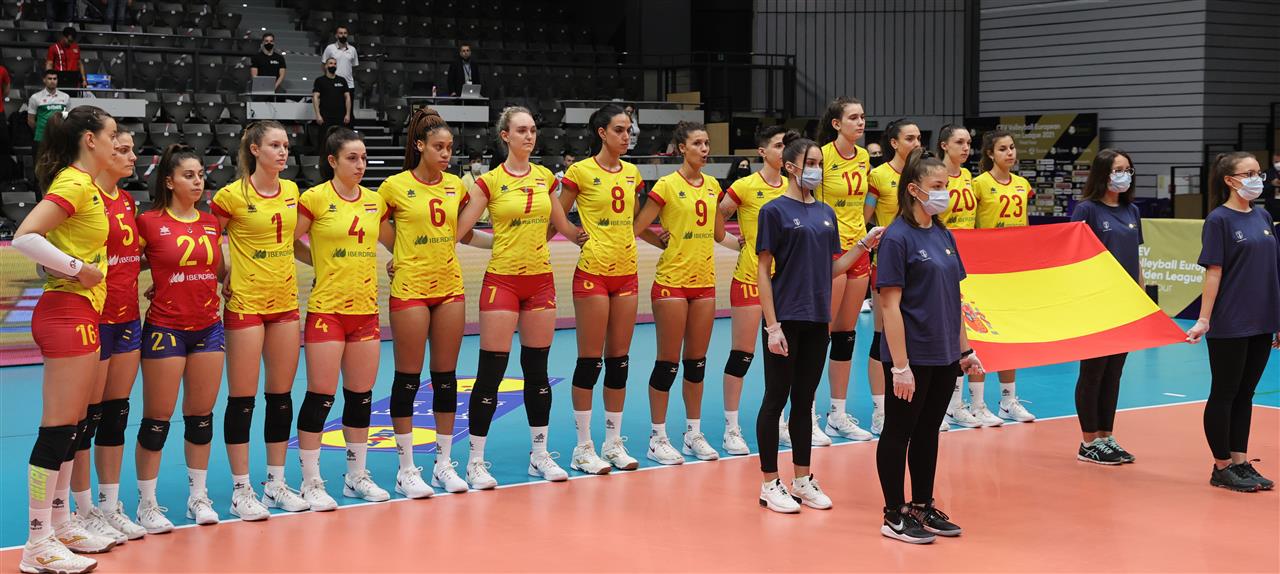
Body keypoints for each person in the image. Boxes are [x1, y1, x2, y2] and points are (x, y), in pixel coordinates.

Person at [755, 131, 885, 513]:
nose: (816, 170)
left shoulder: (827, 213)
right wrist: (772, 326)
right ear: (790, 167)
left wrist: (864, 245)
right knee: (775, 399)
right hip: (786, 318)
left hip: (817, 318)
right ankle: (769, 483)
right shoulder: (774, 211)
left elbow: (832, 268)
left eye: (819, 165)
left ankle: (802, 479)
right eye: (809, 164)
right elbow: (763, 271)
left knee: (804, 400)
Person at [454, 107, 581, 488]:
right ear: (505, 136)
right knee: (491, 373)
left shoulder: (545, 178)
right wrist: (495, 244)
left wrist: (596, 233)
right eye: (522, 130)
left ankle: (539, 455)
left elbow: (563, 226)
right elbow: (460, 231)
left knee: (537, 370)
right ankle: (475, 461)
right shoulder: (489, 182)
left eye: (533, 130)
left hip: (540, 282)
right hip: (503, 283)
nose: (530, 136)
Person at [14, 105, 116, 574]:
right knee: (57, 430)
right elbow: (25, 237)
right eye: (112, 134)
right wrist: (78, 269)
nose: (117, 142)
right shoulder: (74, 183)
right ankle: (37, 542)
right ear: (90, 139)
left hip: (83, 311)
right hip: (65, 311)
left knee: (74, 427)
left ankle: (60, 524)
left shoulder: (88, 185)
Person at [876, 147, 984, 544]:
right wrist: (900, 365)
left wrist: (965, 350)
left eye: (946, 186)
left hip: (944, 353)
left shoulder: (943, 233)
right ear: (914, 189)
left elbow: (955, 297)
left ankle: (922, 504)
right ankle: (893, 513)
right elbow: (889, 305)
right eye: (937, 186)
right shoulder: (896, 238)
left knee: (928, 431)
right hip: (912, 354)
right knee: (899, 430)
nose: (944, 193)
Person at [209, 120, 311, 515]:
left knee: (280, 397)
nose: (283, 152)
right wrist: (224, 274)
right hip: (246, 305)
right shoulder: (230, 196)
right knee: (242, 399)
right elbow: (207, 242)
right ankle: (241, 489)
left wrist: (326, 263)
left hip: (284, 304)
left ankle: (276, 483)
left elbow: (292, 243)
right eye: (275, 145)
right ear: (254, 150)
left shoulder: (292, 191)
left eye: (286, 145)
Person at [376, 107, 475, 495]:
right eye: (439, 147)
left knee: (446, 378)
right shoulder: (394, 186)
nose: (446, 153)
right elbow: (376, 224)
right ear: (420, 146)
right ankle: (406, 469)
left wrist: (502, 242)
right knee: (408, 378)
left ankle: (443, 464)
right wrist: (398, 251)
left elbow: (462, 232)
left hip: (449, 287)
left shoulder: (456, 186)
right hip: (411, 289)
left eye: (450, 147)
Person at [132, 145, 227, 534]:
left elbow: (219, 270)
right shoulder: (148, 222)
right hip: (166, 328)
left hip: (208, 326)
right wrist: (159, 279)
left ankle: (197, 497)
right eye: (189, 175)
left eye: (201, 175)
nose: (198, 181)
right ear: (169, 182)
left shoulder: (210, 222)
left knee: (201, 417)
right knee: (157, 419)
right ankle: (147, 504)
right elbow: (128, 263)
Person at [293, 127, 390, 504]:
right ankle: (311, 481)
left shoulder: (375, 201)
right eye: (352, 158)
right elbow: (289, 241)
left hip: (365, 310)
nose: (360, 164)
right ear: (332, 161)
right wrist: (318, 262)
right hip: (327, 310)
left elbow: (394, 242)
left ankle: (356, 475)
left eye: (364, 158)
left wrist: (399, 261)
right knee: (320, 396)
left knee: (361, 397)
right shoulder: (315, 198)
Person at [632, 121, 727, 465]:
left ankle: (692, 434)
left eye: (707, 143)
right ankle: (657, 438)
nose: (705, 149)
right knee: (668, 363)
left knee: (697, 363)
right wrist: (662, 241)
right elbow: (637, 227)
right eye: (698, 143)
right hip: (672, 282)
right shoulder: (667, 185)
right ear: (681, 148)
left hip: (704, 283)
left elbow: (718, 233)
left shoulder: (713, 185)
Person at [557, 103, 645, 474]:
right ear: (602, 133)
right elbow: (557, 213)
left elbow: (635, 220)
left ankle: (612, 442)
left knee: (619, 361)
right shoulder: (580, 171)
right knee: (590, 361)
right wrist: (573, 234)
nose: (627, 136)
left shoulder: (633, 173)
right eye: (620, 130)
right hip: (593, 273)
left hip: (627, 273)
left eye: (629, 130)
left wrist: (661, 238)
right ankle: (583, 447)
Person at [1185, 151, 1279, 493]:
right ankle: (1222, 466)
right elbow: (1214, 272)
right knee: (1225, 393)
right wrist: (1204, 319)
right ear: (1230, 180)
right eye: (1248, 173)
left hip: (1262, 320)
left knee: (1246, 394)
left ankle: (1240, 461)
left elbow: (1272, 270)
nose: (1257, 179)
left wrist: (1277, 319)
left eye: (1259, 172)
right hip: (1231, 321)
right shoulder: (1218, 220)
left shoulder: (1263, 216)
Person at [69, 131, 145, 544]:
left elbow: (132, 258)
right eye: (122, 150)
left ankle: (110, 505)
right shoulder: (84, 197)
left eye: (132, 150)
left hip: (128, 318)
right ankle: (81, 511)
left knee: (116, 414)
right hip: (94, 319)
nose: (132, 156)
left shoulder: (127, 200)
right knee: (85, 418)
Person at [717, 125, 787, 456]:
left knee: (783, 355)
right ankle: (731, 428)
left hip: (784, 283)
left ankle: (781, 421)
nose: (783, 151)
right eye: (778, 145)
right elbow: (717, 217)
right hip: (749, 279)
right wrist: (736, 243)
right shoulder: (745, 186)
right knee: (742, 355)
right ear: (763, 152)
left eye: (786, 145)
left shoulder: (794, 186)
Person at [1070, 148, 1144, 465]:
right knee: (1093, 372)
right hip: (1096, 303)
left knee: (1114, 372)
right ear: (1103, 174)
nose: (1124, 175)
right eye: (1117, 170)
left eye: (1127, 169)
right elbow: (1072, 257)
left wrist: (1141, 297)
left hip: (1124, 305)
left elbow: (1136, 259)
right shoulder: (1086, 210)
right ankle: (1088, 442)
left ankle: (1106, 436)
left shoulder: (1132, 211)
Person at [811, 97, 875, 446]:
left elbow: (863, 202)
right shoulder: (821, 156)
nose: (860, 122)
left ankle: (837, 414)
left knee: (845, 334)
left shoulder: (863, 157)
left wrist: (862, 234)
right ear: (836, 124)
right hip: (829, 251)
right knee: (818, 334)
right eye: (853, 117)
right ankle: (805, 412)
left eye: (862, 117)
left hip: (858, 249)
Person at [971, 130, 1036, 423]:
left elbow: (1025, 224)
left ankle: (1008, 400)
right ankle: (976, 403)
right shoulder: (979, 185)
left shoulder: (1022, 184)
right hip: (985, 268)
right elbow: (970, 225)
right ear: (990, 153)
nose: (1010, 153)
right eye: (1002, 149)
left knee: (1009, 334)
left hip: (1013, 268)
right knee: (982, 335)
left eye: (1011, 147)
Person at [865, 119, 924, 434]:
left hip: (921, 266)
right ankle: (880, 408)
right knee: (882, 336)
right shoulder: (878, 176)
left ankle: (914, 403)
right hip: (888, 265)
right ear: (894, 143)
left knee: (916, 336)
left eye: (919, 138)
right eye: (909, 138)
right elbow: (865, 218)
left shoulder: (923, 174)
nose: (916, 143)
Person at [935, 124, 984, 430]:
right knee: (949, 329)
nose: (966, 148)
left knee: (969, 329)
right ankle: (944, 404)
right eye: (959, 142)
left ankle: (959, 404)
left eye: (968, 142)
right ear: (944, 145)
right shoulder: (936, 176)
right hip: (943, 256)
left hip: (969, 258)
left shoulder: (968, 177)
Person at [28, 71, 72, 176]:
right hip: (41, 138)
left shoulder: (65, 97)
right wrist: (41, 130)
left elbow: (67, 117)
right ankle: (38, 187)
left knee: (58, 165)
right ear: (44, 80)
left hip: (58, 137)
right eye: (49, 78)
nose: (52, 81)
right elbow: (31, 120)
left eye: (54, 79)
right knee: (39, 166)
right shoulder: (35, 97)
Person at [311, 57, 352, 150]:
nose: (333, 65)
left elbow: (347, 97)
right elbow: (315, 97)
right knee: (324, 139)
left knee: (341, 140)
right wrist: (318, 115)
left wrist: (348, 114)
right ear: (326, 66)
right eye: (330, 63)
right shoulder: (320, 80)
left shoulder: (342, 80)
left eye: (335, 64)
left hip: (340, 116)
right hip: (325, 116)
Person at [320, 26, 358, 99]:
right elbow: (323, 64)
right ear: (336, 35)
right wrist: (329, 78)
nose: (343, 35)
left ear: (347, 35)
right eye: (340, 33)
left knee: (348, 106)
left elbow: (354, 67)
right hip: (332, 84)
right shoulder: (330, 48)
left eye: (345, 33)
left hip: (349, 85)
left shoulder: (353, 49)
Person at [556, 152, 578, 225]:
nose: (571, 163)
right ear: (564, 162)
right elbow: (553, 195)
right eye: (569, 161)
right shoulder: (557, 176)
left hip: (578, 214)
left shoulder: (579, 176)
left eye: (573, 161)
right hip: (564, 213)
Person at [1263, 150, 1280, 221]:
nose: (1278, 164)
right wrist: (1271, 184)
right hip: (1272, 208)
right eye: (1276, 162)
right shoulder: (1267, 173)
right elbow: (1261, 191)